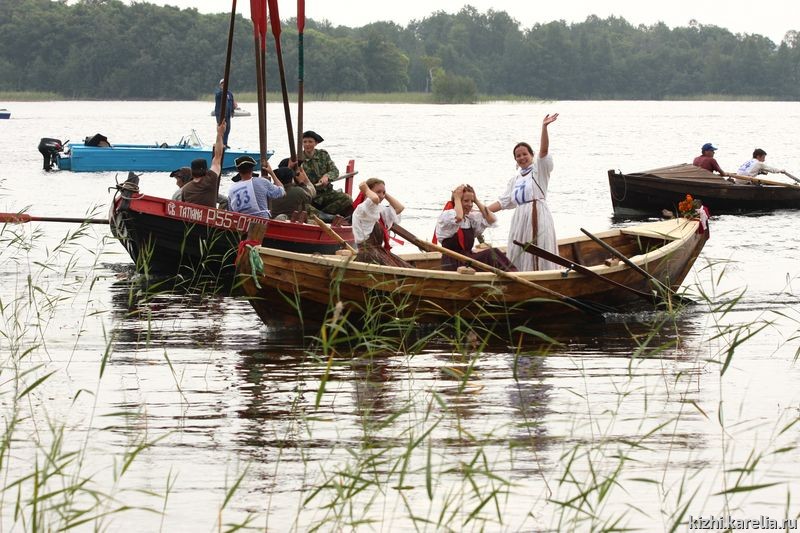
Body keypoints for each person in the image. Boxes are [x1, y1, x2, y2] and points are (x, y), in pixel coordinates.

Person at [487, 113, 560, 271]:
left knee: (537, 248)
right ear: (515, 160)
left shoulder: (538, 171)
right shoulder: (515, 179)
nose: (522, 158)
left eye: (525, 154)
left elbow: (544, 151)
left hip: (537, 213)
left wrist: (544, 127)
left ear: (532, 155)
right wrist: (481, 210)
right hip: (520, 218)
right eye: (518, 156)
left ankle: (542, 274)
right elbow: (503, 202)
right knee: (519, 250)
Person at [435, 184, 516, 271]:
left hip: (467, 260)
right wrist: (457, 198)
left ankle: (514, 273)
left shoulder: (470, 219)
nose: (470, 204)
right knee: (489, 254)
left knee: (494, 252)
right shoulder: (447, 217)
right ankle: (513, 274)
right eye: (466, 201)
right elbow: (458, 217)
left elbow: (491, 219)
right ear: (457, 202)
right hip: (453, 262)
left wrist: (476, 200)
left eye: (471, 201)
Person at [351, 178, 411, 267]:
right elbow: (375, 199)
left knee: (407, 268)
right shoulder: (362, 209)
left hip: (379, 252)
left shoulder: (380, 211)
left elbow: (399, 208)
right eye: (378, 192)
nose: (382, 196)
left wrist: (384, 194)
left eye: (383, 192)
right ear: (369, 193)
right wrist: (366, 189)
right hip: (368, 255)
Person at [299, 130, 353, 218]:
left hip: (326, 193)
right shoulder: (298, 158)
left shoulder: (323, 155)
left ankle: (323, 215)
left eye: (310, 142)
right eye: (305, 142)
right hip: (310, 195)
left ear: (316, 143)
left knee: (347, 199)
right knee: (303, 206)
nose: (307, 144)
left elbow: (334, 170)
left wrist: (327, 177)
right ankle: (325, 217)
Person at [181, 121, 226, 207]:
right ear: (206, 170)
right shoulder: (210, 179)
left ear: (192, 172)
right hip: (209, 215)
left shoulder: (185, 189)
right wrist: (220, 134)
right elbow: (218, 156)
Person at [214, 78, 235, 148]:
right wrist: (223, 91)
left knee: (228, 129)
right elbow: (218, 96)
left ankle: (225, 143)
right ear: (220, 85)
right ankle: (220, 144)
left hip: (228, 115)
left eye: (225, 84)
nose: (224, 85)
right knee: (221, 129)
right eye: (222, 84)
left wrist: (232, 111)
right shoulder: (218, 93)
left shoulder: (230, 94)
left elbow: (232, 102)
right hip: (220, 114)